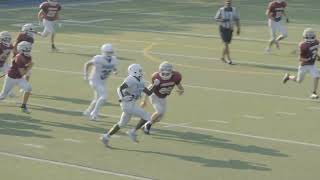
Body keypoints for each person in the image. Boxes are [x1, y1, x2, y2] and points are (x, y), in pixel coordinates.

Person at [100, 64, 160, 147]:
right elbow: (120, 88)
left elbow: (149, 93)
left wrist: (155, 85)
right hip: (127, 104)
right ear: (135, 71)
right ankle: (133, 132)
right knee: (147, 116)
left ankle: (106, 137)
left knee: (122, 123)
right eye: (140, 71)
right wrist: (122, 97)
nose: (141, 72)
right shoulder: (131, 79)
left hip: (131, 104)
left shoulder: (141, 81)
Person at [140, 61, 184, 134]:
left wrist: (181, 90)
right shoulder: (157, 78)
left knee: (158, 119)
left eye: (167, 73)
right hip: (155, 96)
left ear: (171, 72)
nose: (165, 75)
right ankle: (147, 125)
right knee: (159, 111)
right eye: (163, 73)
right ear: (160, 71)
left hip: (163, 98)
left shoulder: (176, 76)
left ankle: (146, 124)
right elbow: (148, 89)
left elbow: (179, 85)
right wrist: (144, 100)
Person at [83, 43, 118, 120]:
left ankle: (88, 111)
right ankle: (94, 114)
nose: (109, 54)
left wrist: (115, 71)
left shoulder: (114, 59)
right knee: (104, 97)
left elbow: (113, 67)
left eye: (110, 52)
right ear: (103, 52)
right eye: (107, 52)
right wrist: (85, 75)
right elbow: (87, 64)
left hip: (102, 82)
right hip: (94, 80)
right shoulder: (98, 59)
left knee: (97, 99)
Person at [282, 28, 319, 99]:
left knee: (316, 76)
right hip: (304, 66)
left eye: (311, 37)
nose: (310, 38)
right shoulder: (303, 45)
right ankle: (288, 77)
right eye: (308, 37)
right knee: (299, 81)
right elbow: (300, 58)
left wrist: (317, 56)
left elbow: (315, 51)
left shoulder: (317, 42)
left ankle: (314, 93)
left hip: (312, 65)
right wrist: (308, 59)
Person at [0, 41, 33, 113]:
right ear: (21, 49)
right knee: (2, 96)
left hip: (19, 78)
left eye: (29, 49)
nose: (29, 50)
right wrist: (30, 67)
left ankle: (23, 106)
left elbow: (23, 71)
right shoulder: (19, 57)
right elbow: (22, 73)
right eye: (26, 49)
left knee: (28, 88)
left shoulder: (28, 57)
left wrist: (28, 67)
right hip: (11, 78)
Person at [215, 0, 240, 65]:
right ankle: (228, 59)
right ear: (224, 2)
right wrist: (222, 20)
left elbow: (236, 19)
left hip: (230, 29)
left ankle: (222, 57)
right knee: (226, 44)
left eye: (229, 2)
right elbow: (216, 18)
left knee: (226, 44)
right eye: (227, 2)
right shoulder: (221, 9)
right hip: (223, 28)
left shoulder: (234, 9)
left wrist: (238, 28)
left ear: (231, 3)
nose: (228, 3)